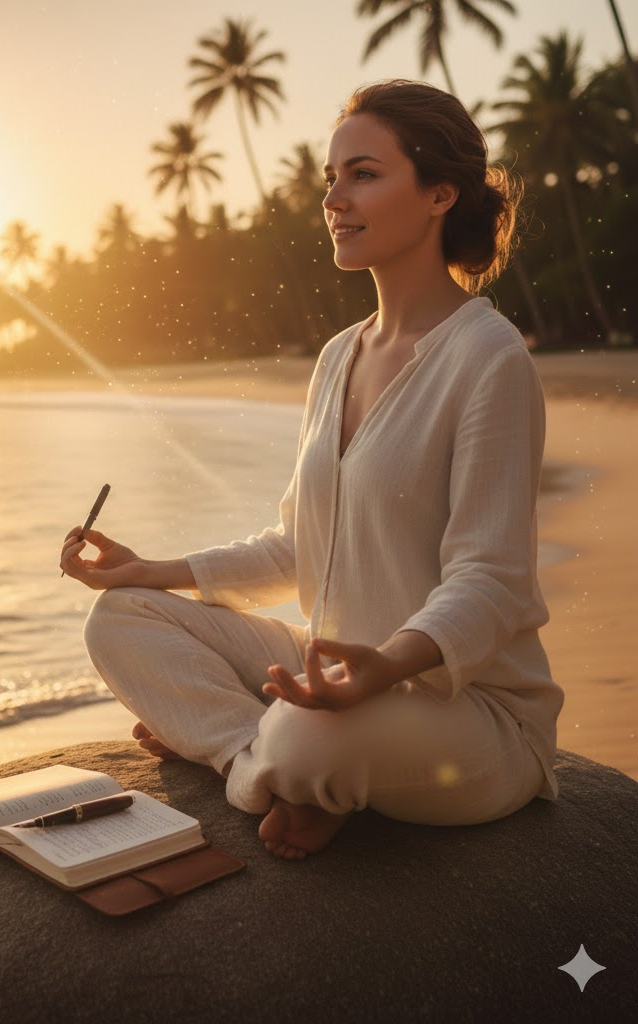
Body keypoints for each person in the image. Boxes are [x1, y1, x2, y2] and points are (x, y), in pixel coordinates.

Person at [59, 79, 563, 860]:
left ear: (439, 194)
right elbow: (296, 548)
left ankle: (261, 753)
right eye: (331, 179)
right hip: (334, 671)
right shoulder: (336, 357)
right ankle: (246, 755)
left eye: (363, 173)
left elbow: (490, 582)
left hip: (465, 709)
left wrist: (383, 667)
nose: (335, 198)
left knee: (306, 739)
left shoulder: (488, 359)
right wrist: (148, 569)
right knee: (120, 618)